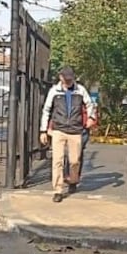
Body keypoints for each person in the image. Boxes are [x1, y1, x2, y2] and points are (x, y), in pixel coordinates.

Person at [40, 66, 97, 203]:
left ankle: (73, 180)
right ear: (61, 77)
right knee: (57, 161)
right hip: (58, 130)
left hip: (75, 130)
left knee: (74, 161)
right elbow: (46, 110)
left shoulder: (80, 90)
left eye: (70, 79)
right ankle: (58, 190)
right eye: (66, 79)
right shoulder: (54, 91)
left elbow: (90, 105)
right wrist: (43, 130)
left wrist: (91, 118)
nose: (68, 81)